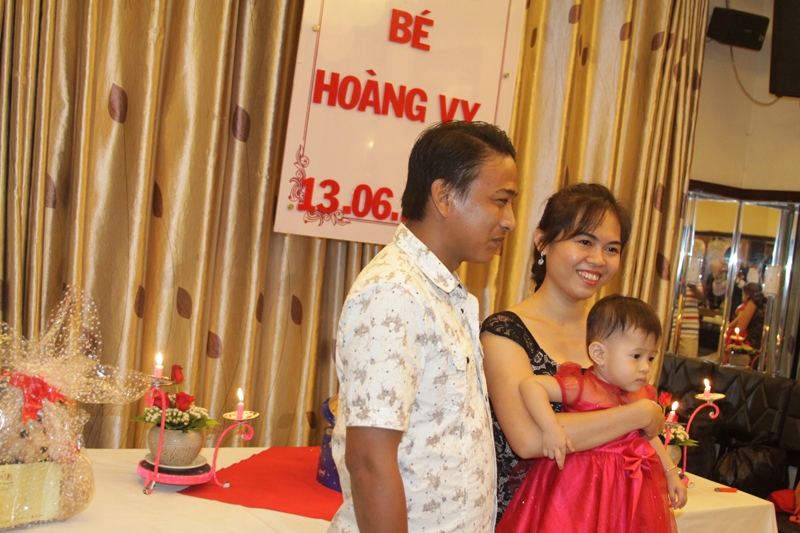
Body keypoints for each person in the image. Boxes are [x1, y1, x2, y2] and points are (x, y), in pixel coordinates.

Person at [329, 120, 518, 533]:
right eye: (500, 201)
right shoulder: (396, 291)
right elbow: (369, 460)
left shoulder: (440, 290)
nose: (510, 221)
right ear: (444, 196)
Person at [480, 183, 666, 522]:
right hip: (529, 519)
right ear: (542, 241)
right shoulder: (503, 332)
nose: (598, 260)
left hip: (605, 515)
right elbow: (530, 438)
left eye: (612, 248)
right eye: (584, 241)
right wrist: (638, 415)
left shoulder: (616, 337)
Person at [496, 295, 687, 533]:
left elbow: (648, 438)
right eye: (636, 356)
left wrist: (670, 473)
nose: (645, 368)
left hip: (624, 495)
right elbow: (531, 386)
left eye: (651, 358)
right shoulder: (583, 386)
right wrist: (550, 427)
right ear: (599, 353)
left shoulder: (640, 395)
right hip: (577, 490)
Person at [728, 282, 767, 350]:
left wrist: (728, 327)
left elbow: (740, 326)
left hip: (752, 344)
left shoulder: (757, 299)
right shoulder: (759, 299)